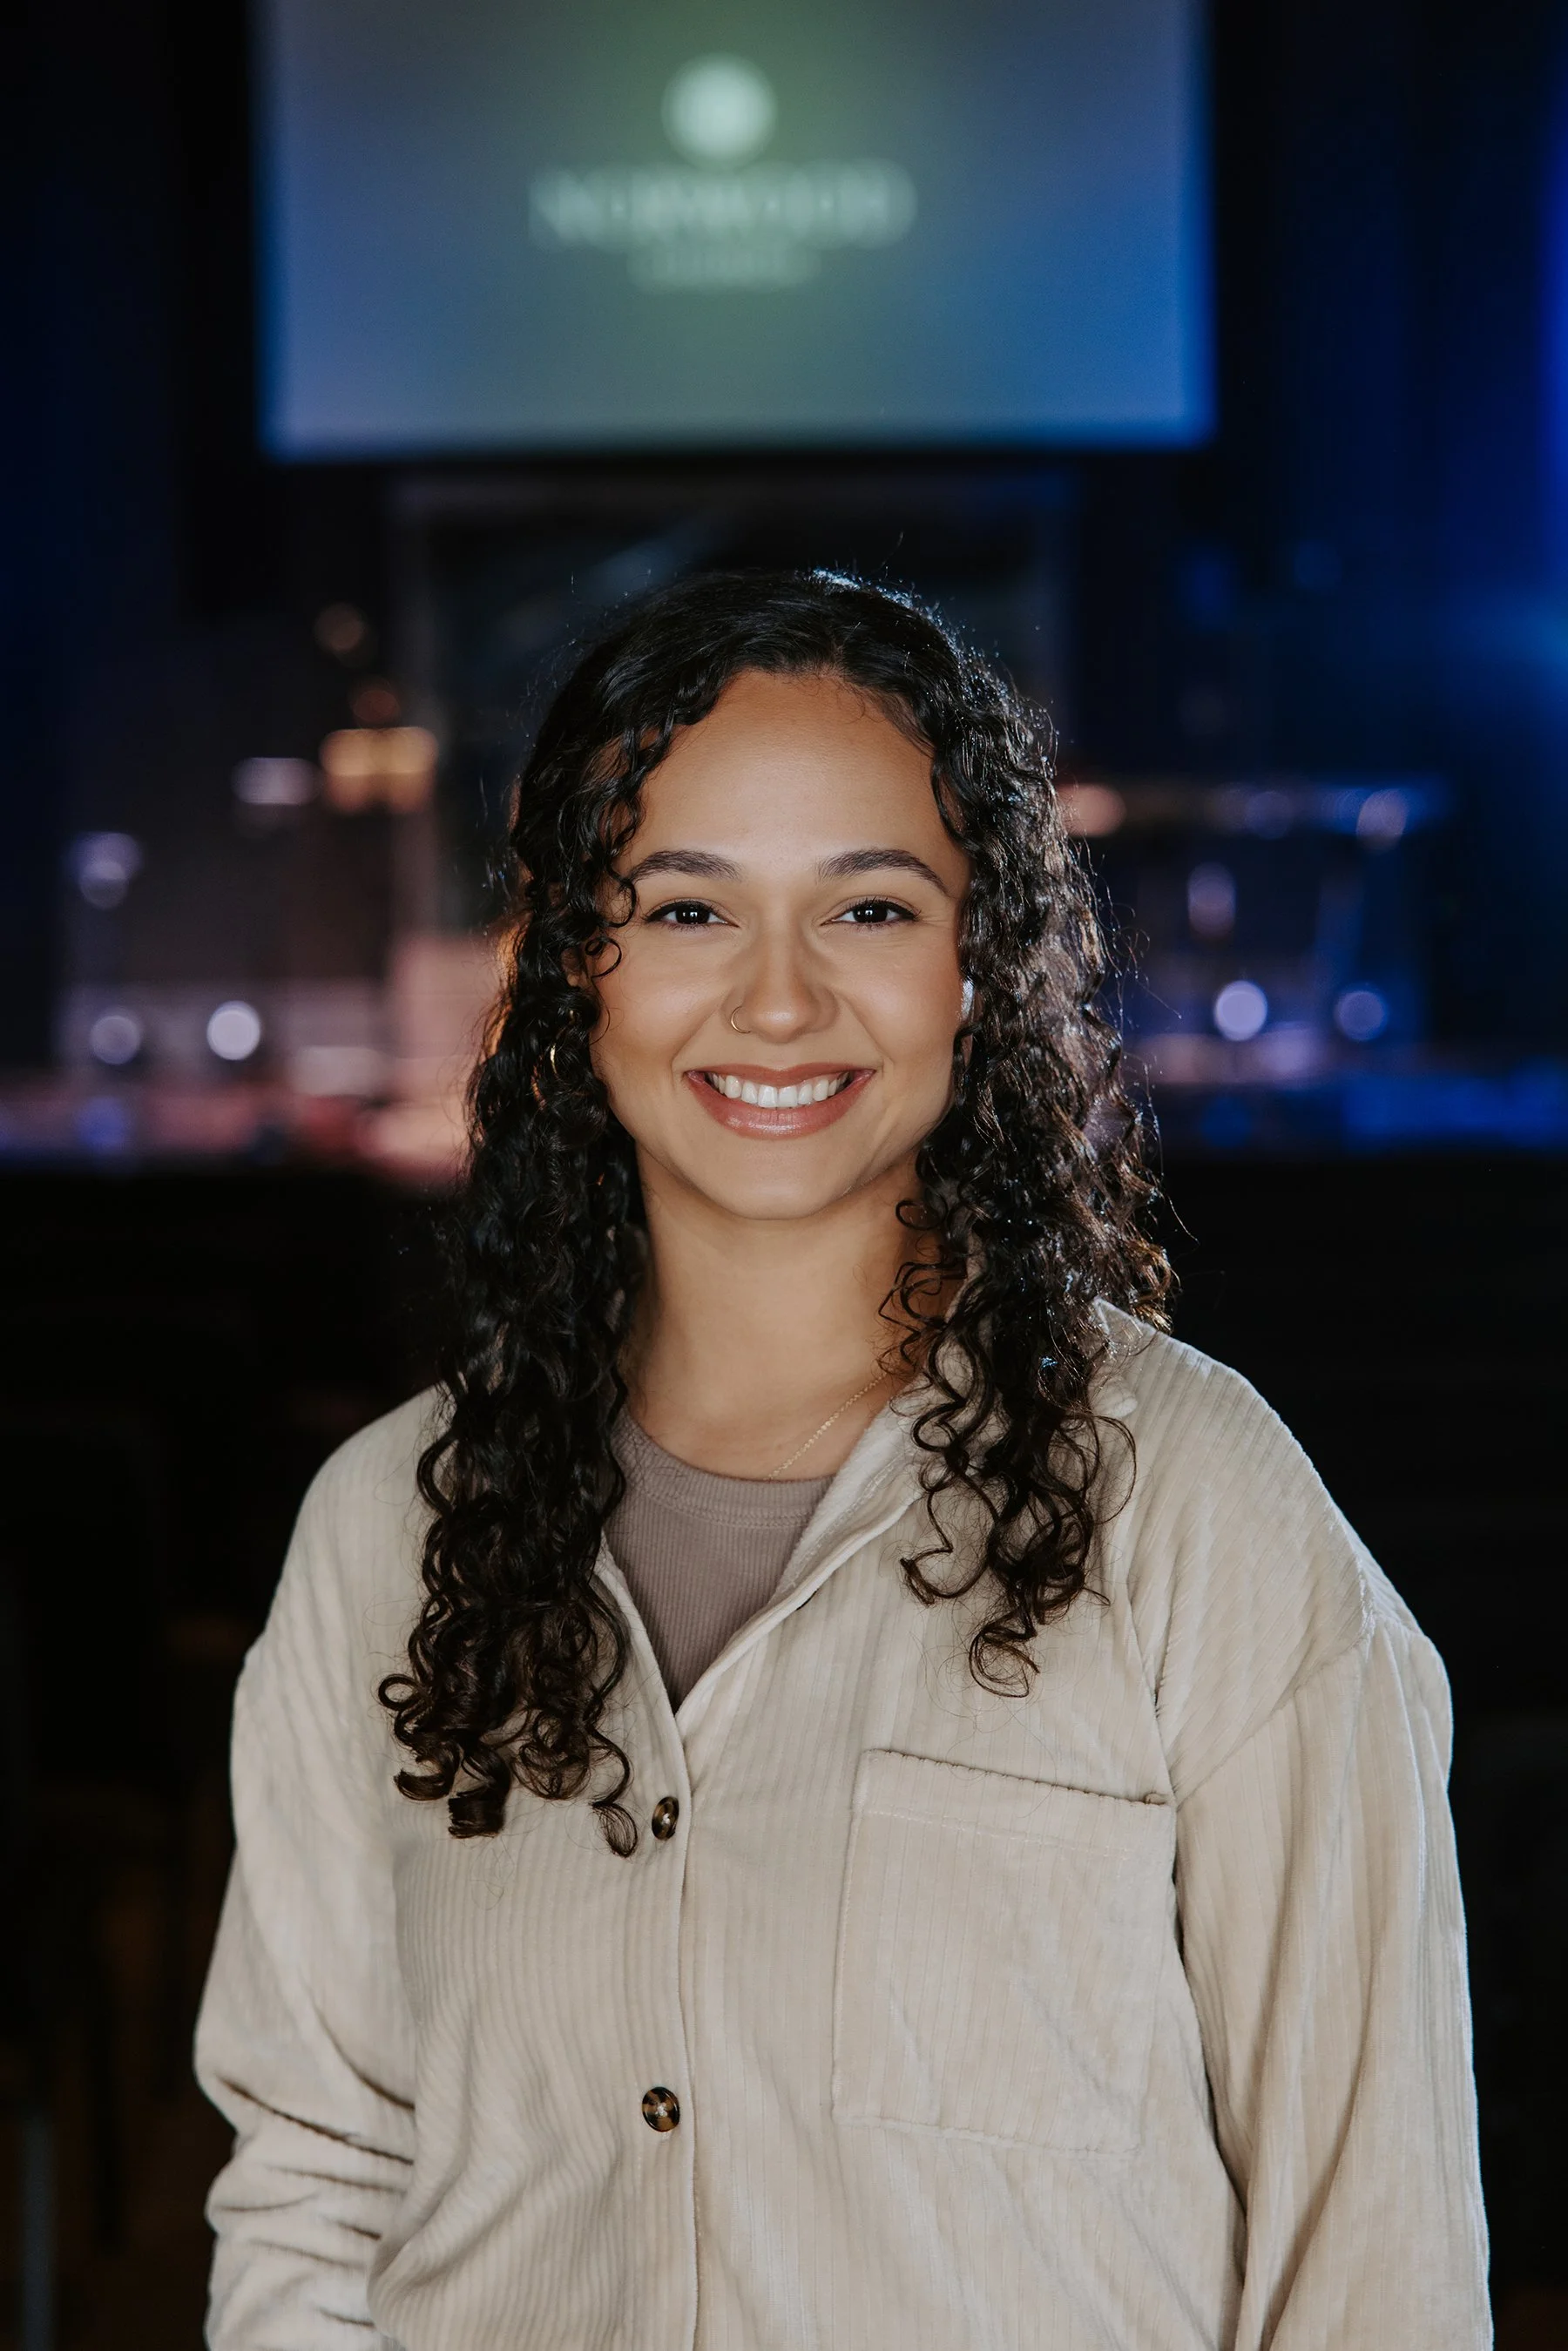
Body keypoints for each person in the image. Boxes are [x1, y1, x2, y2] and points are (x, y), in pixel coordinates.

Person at [196, 571, 1487, 2350]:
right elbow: (315, 2183)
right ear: (577, 965)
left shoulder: (1201, 1507)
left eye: (870, 906)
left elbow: (1375, 2260)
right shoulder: (383, 1533)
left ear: (977, 963)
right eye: (687, 908)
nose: (780, 999)